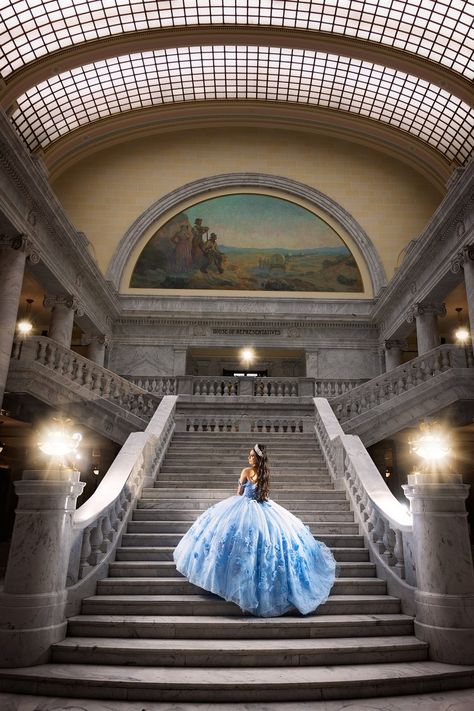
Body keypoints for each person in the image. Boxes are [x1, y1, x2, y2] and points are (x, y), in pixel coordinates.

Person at [173, 443, 336, 617]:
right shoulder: (265, 474)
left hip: (244, 506)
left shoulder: (246, 472)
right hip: (264, 507)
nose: (248, 457)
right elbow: (264, 495)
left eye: (251, 455)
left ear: (256, 458)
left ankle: (230, 583)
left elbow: (239, 494)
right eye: (249, 455)